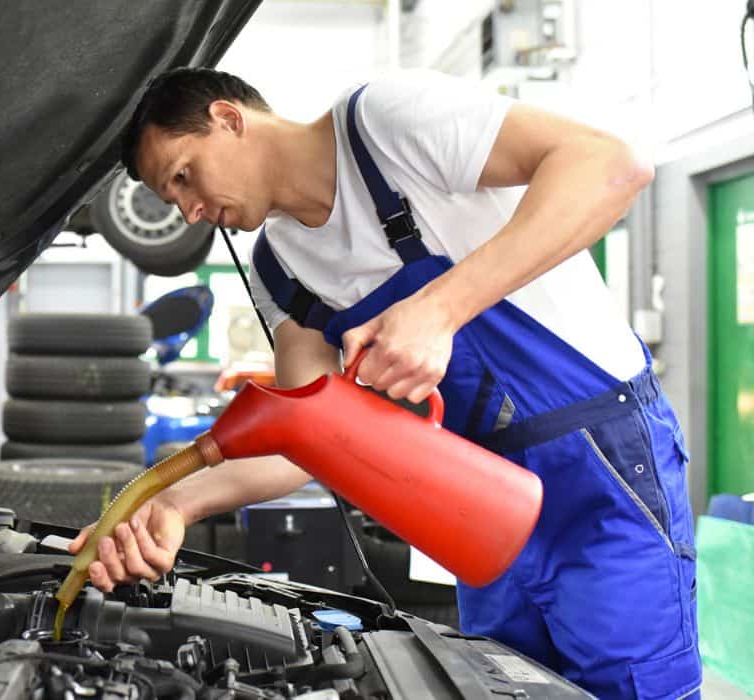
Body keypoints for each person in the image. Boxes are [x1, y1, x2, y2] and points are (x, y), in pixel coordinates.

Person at [68, 67, 700, 700]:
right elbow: (301, 442)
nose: (189, 210)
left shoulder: (384, 123)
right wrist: (172, 504)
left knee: (636, 689)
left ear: (228, 120)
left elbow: (611, 165)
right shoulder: (279, 269)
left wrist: (440, 309)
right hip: (476, 498)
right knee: (501, 688)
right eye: (174, 198)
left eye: (183, 175)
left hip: (600, 467)